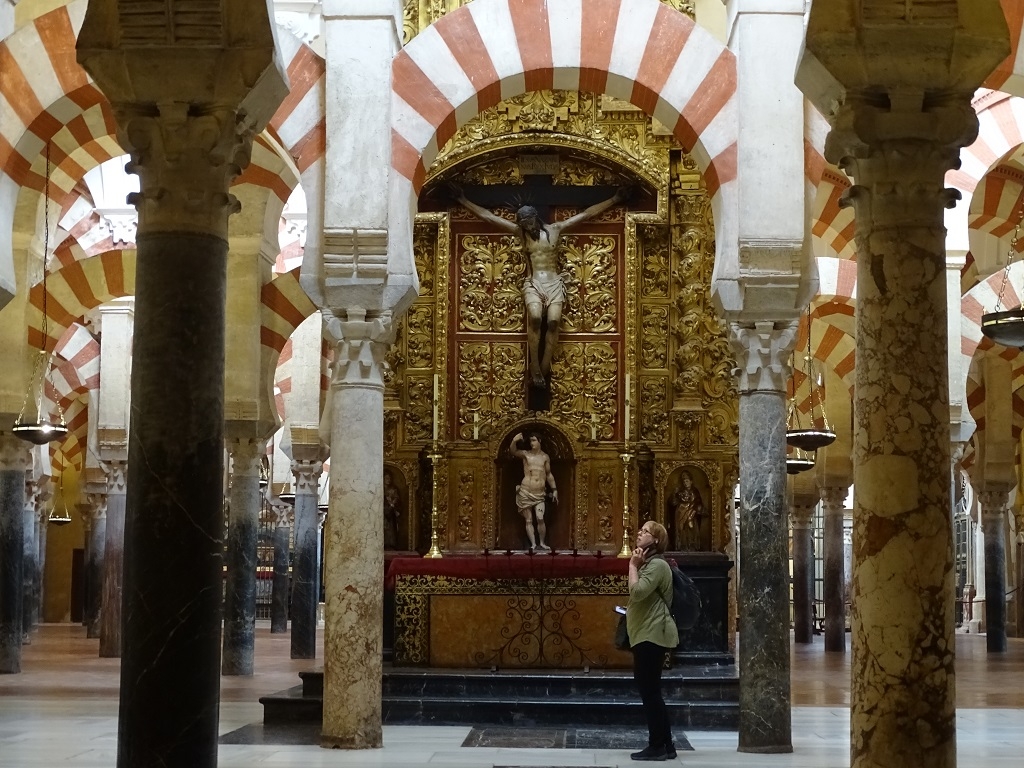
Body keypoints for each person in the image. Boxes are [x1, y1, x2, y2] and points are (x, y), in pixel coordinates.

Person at [454, 186, 629, 388]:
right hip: (534, 283)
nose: (527, 227)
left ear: (535, 217)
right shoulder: (520, 233)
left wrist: (614, 199)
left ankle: (544, 366)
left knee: (554, 322)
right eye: (523, 224)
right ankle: (535, 366)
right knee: (536, 317)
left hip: (554, 283)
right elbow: (489, 217)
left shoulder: (555, 229)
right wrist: (463, 200)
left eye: (528, 222)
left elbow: (585, 215)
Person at [626, 520, 679, 761]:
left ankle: (657, 745)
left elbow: (637, 592)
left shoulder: (657, 565)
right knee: (652, 691)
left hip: (652, 633)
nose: (640, 532)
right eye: (641, 529)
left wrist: (632, 565)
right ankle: (666, 745)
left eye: (645, 531)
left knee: (649, 692)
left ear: (656, 540)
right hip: (646, 632)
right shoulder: (651, 563)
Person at [509, 431, 557, 550]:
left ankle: (542, 543)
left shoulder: (545, 457)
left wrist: (554, 490)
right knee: (529, 520)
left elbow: (549, 474)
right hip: (526, 491)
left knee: (540, 518)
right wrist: (514, 441)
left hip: (539, 493)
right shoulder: (526, 454)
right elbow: (513, 451)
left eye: (534, 440)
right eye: (530, 441)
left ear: (539, 441)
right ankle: (533, 544)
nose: (532, 443)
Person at [670, 470, 704, 549]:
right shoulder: (679, 491)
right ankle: (681, 545)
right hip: (681, 512)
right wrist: (674, 494)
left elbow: (699, 502)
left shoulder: (695, 491)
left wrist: (693, 512)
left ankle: (692, 546)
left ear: (691, 481)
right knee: (681, 529)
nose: (685, 483)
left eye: (687, 481)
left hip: (692, 513)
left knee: (691, 529)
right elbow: (673, 502)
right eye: (684, 481)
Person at [383, 469, 400, 550]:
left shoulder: (393, 489)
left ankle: (390, 545)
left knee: (390, 529)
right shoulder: (379, 488)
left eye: (389, 478)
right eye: (387, 478)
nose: (388, 480)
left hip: (390, 512)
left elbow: (396, 498)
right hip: (381, 512)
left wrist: (392, 504)